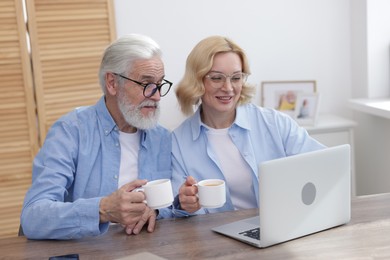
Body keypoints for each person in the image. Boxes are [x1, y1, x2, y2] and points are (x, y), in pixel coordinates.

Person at [20, 34, 173, 240]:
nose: (156, 96)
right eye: (146, 84)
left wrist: (155, 210)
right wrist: (102, 210)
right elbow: (33, 217)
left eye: (160, 84)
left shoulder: (161, 138)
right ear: (112, 83)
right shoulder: (71, 131)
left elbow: (170, 204)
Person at [171, 35, 325, 217]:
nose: (228, 88)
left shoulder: (275, 123)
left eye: (236, 78)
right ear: (197, 81)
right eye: (217, 78)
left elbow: (323, 165)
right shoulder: (178, 141)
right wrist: (184, 204)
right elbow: (177, 208)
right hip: (213, 238)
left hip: (280, 225)